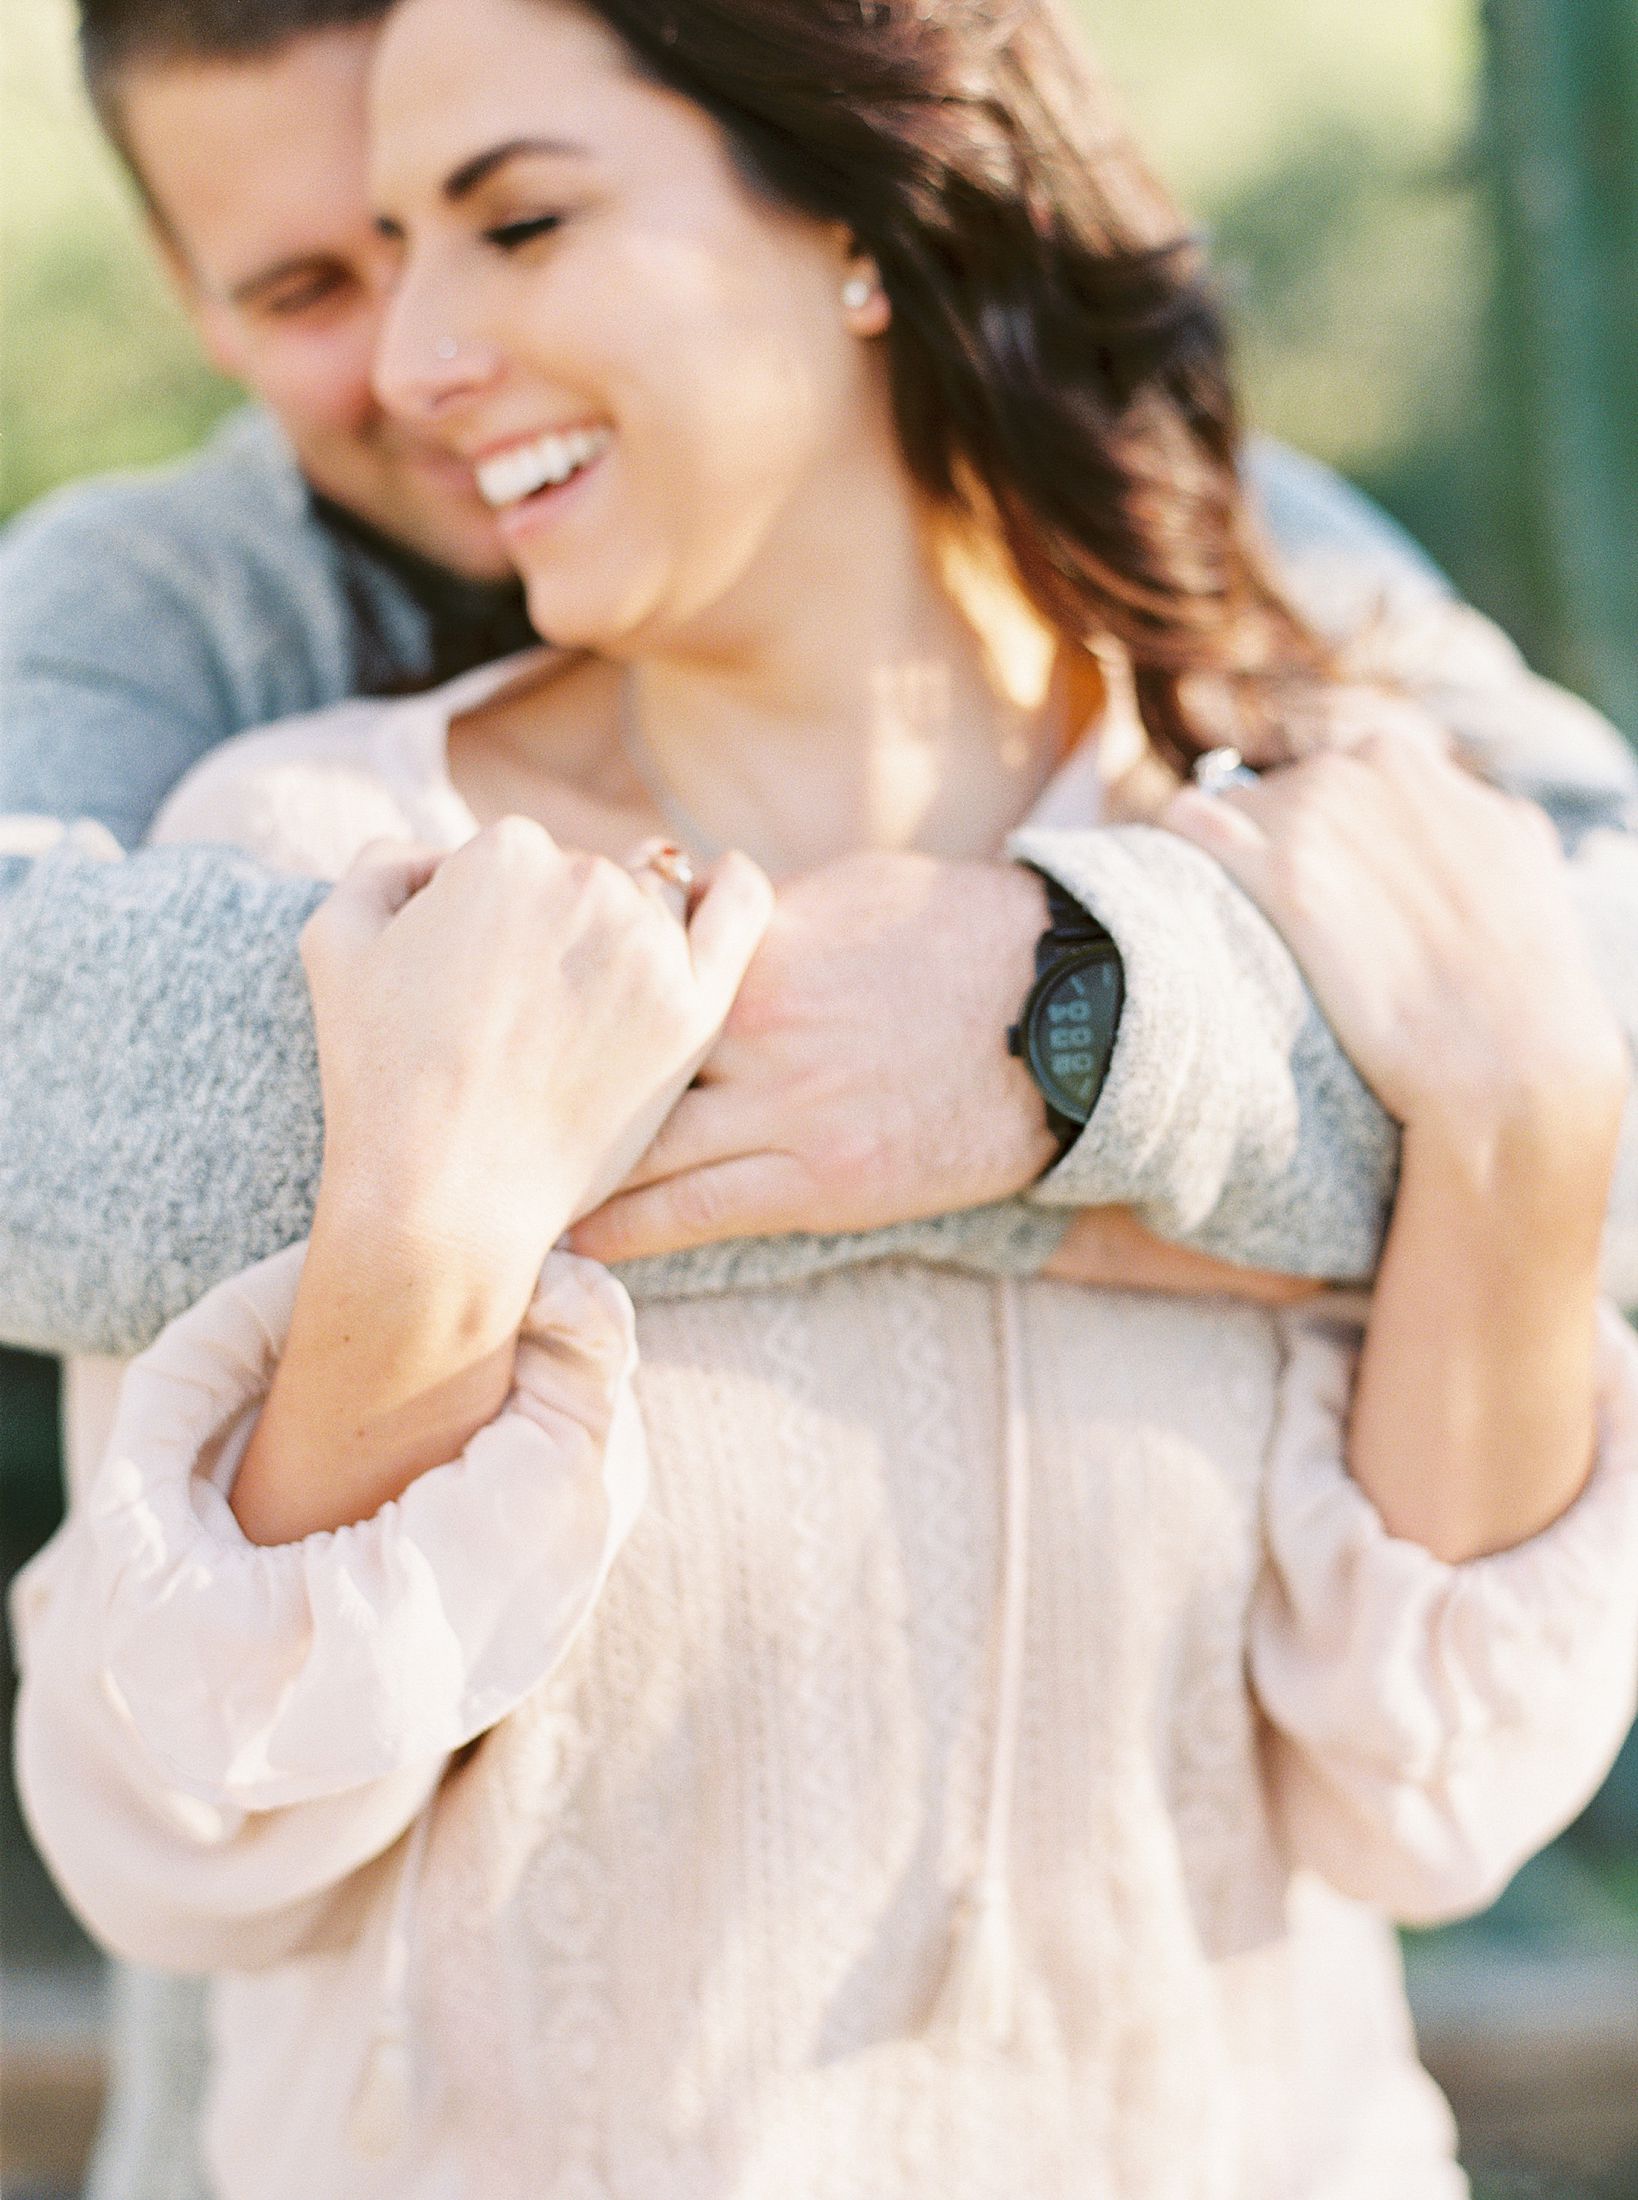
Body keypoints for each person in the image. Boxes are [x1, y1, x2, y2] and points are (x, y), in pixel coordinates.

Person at [13, 0, 1638, 2191]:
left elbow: (1435, 1791)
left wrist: (1354, 1081)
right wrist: (435, 1196)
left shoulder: (1312, 814)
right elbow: (183, 1839)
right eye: (336, 273)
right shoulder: (294, 832)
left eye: (519, 220)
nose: (408, 357)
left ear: (861, 212)